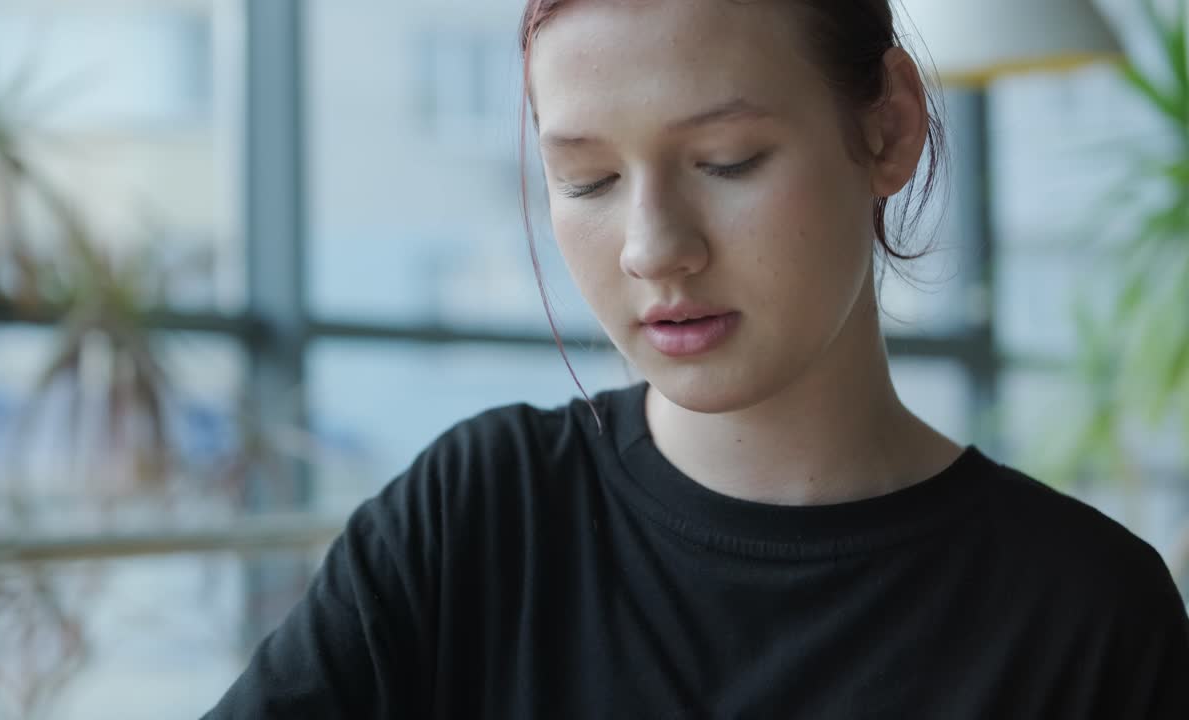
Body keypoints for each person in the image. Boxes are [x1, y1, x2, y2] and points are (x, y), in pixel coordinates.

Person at [204, 1, 1189, 717]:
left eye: (727, 162)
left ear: (886, 127)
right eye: (584, 179)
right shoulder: (476, 520)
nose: (650, 247)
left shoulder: (1082, 612)